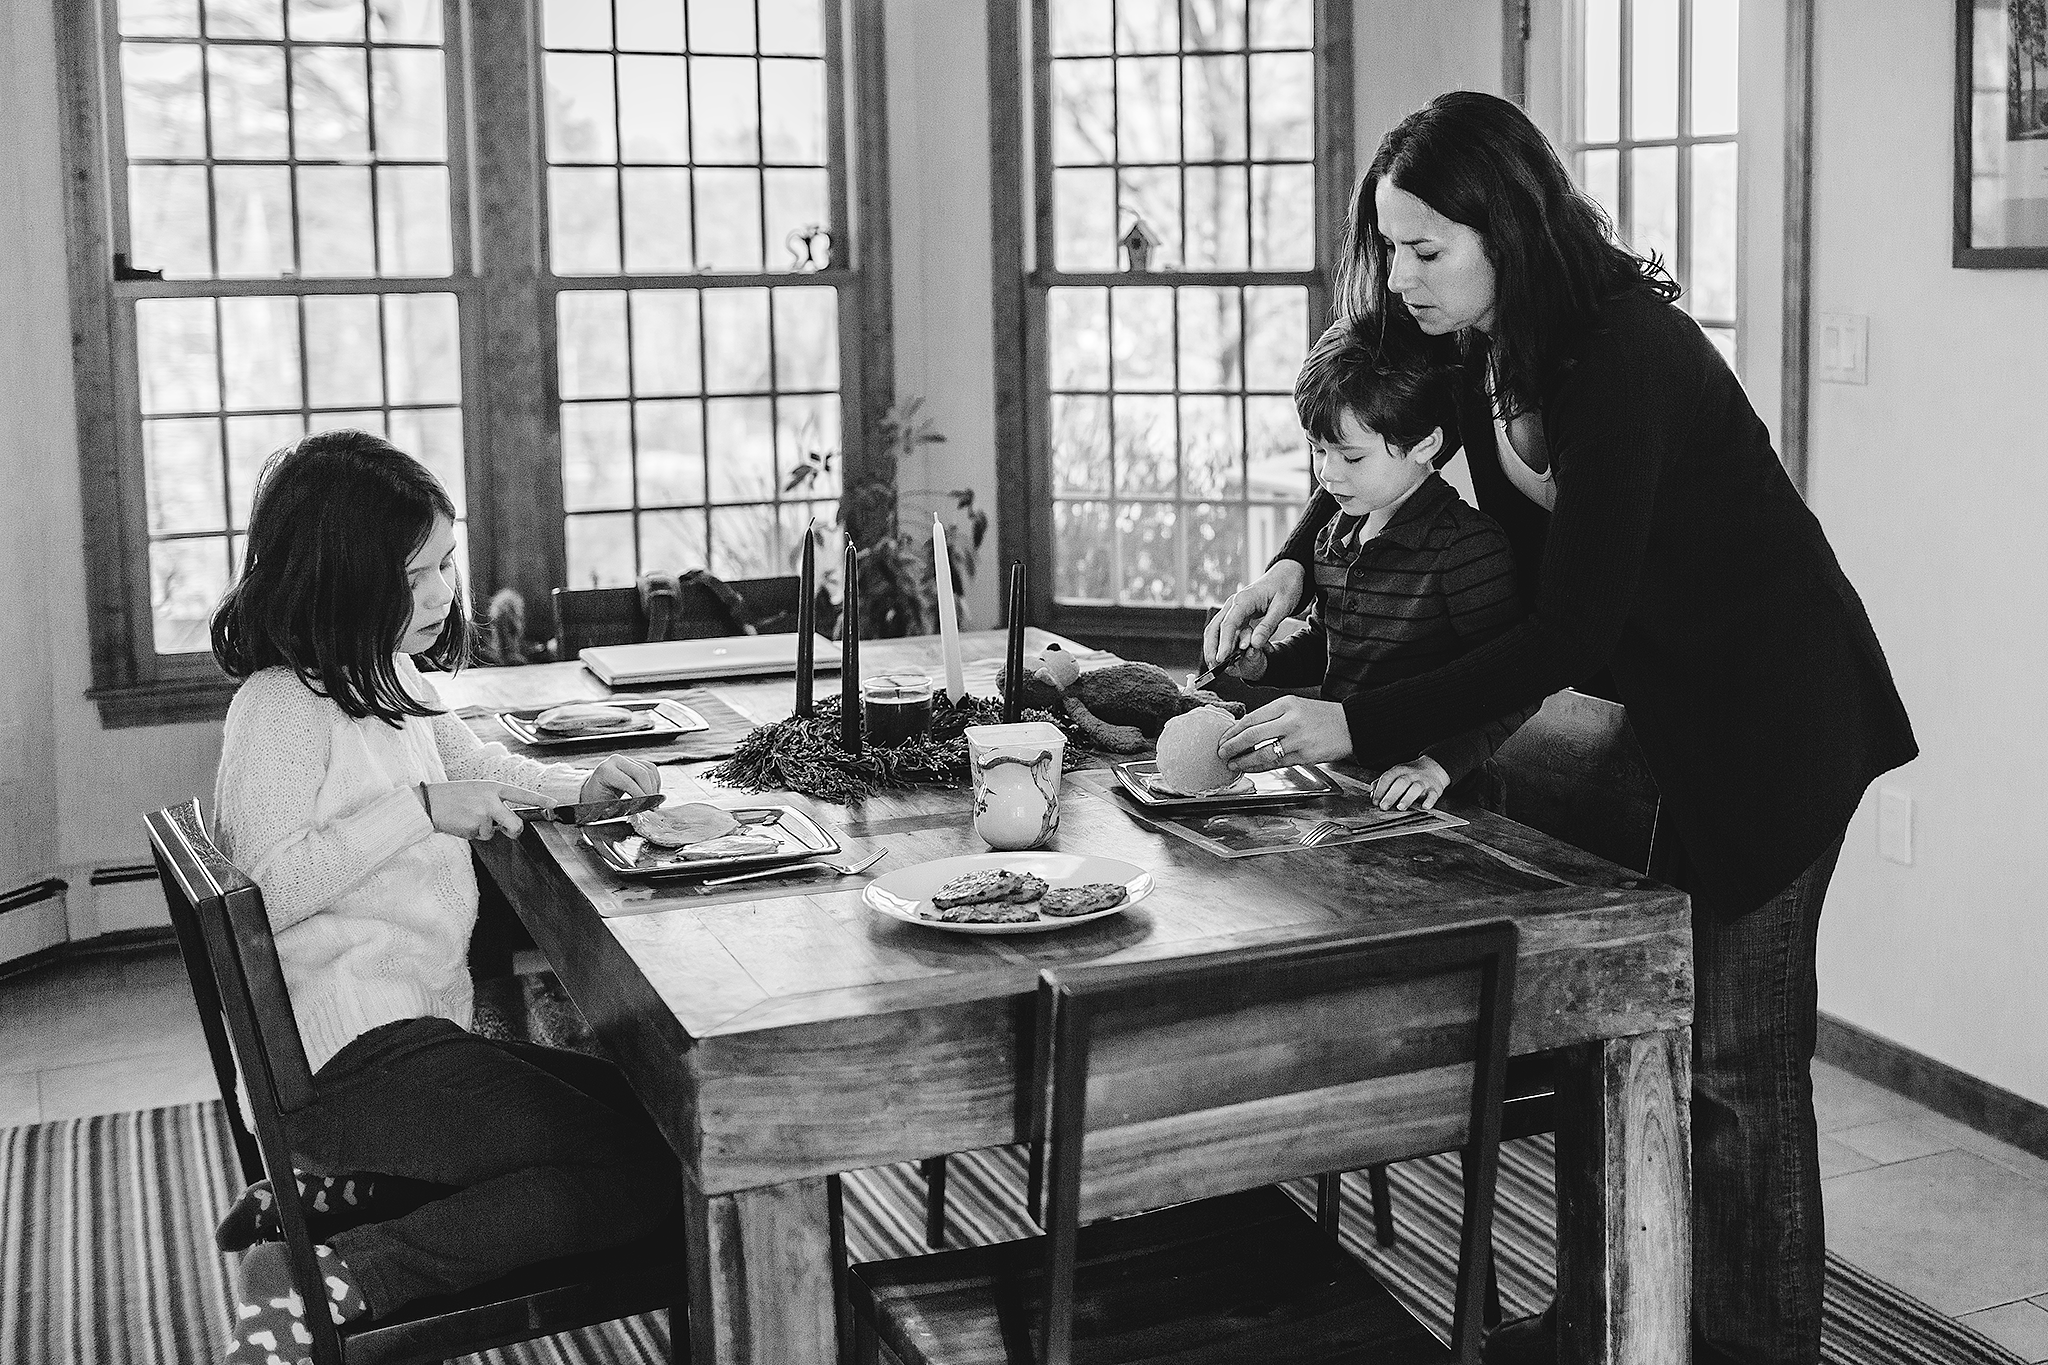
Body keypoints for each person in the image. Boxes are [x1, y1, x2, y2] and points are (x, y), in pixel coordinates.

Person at [1204, 92, 1915, 1365]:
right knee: (1612, 1032)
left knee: (1735, 1076)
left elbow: (1569, 634)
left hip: (1774, 723)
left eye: (1427, 250)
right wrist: (1294, 567)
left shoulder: (1623, 353)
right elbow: (1368, 425)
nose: (1400, 277)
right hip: (1664, 714)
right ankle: (1605, 1317)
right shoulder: (1465, 333)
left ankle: (1759, 1353)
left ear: (1508, 227)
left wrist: (1352, 717)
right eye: (1391, 245)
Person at [208, 430, 680, 1362]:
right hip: (345, 1063)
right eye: (415, 572)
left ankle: (362, 1191)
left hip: (412, 1034)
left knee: (672, 1121)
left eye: (446, 565)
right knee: (655, 1171)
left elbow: (474, 763)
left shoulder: (386, 675)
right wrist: (420, 810)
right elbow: (267, 888)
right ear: (338, 572)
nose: (441, 593)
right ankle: (338, 1275)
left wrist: (581, 789)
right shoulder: (279, 705)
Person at [1228, 311, 1535, 811]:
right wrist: (1264, 663)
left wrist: (1435, 766)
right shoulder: (1336, 535)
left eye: (1351, 457)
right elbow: (1333, 647)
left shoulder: (1468, 549)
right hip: (1349, 786)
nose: (1328, 475)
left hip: (1449, 801)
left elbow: (1510, 688)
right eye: (1316, 450)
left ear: (1426, 445)